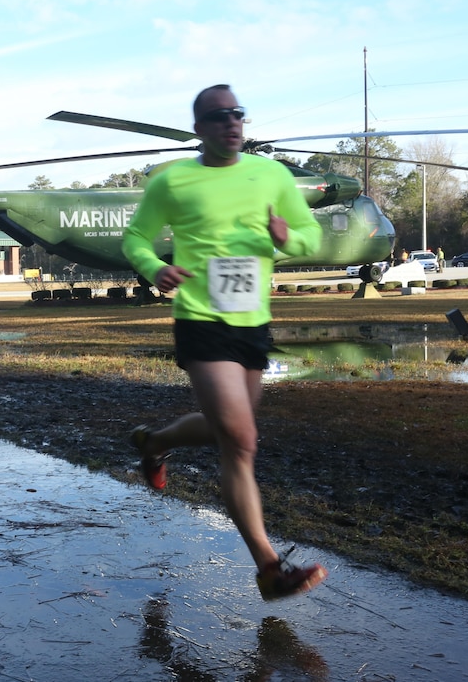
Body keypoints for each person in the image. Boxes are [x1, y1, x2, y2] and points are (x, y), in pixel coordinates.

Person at [121, 84, 327, 602]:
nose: (231, 123)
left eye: (237, 114)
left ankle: (155, 442)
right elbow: (136, 238)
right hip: (199, 316)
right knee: (241, 441)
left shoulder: (272, 175)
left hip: (252, 320)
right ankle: (269, 567)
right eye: (218, 117)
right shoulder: (174, 180)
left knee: (224, 431)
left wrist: (287, 240)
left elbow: (310, 237)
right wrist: (155, 268)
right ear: (200, 129)